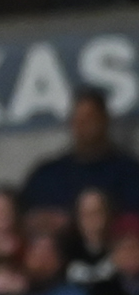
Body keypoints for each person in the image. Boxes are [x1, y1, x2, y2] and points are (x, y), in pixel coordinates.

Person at [21, 87, 139, 216]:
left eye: (90, 118)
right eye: (78, 119)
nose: (83, 125)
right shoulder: (47, 177)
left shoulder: (130, 174)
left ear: (105, 120)